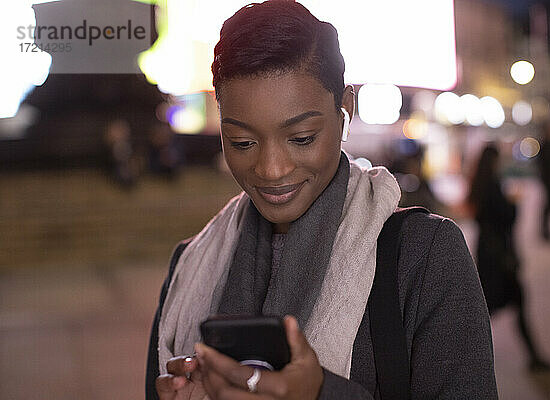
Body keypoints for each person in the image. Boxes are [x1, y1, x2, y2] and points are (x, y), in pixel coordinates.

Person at [146, 1, 497, 399]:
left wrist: (322, 394)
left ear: (344, 109)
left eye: (301, 138)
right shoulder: (188, 265)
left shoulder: (423, 256)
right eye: (242, 142)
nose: (272, 169)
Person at [468, 144, 550, 372]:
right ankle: (466, 354)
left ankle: (534, 358)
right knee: (492, 309)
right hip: (499, 260)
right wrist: (514, 203)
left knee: (494, 307)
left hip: (489, 256)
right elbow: (506, 218)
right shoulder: (492, 186)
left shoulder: (480, 183)